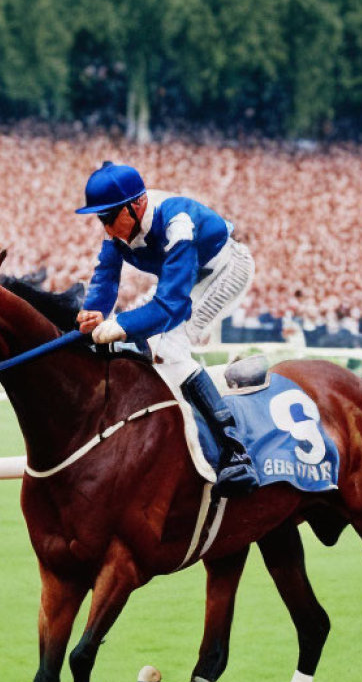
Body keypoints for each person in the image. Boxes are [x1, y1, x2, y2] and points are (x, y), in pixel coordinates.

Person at [75, 161, 259, 498]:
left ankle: (235, 452)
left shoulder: (178, 222)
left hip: (223, 270)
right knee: (139, 334)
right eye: (100, 219)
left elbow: (172, 304)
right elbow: (105, 277)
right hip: (185, 277)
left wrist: (121, 326)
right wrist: (95, 313)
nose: (106, 228)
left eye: (109, 218)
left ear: (137, 204)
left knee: (169, 347)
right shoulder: (118, 231)